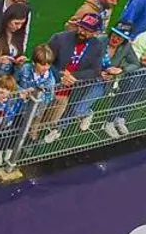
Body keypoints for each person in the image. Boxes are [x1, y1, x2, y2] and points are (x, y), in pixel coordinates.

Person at [39, 9, 118, 140]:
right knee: (38, 112)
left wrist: (74, 76)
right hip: (52, 82)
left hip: (74, 87)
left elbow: (95, 70)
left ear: (95, 33)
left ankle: (54, 130)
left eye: (87, 30)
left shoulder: (97, 45)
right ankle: (32, 135)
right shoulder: (59, 38)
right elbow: (44, 61)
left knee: (56, 116)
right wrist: (61, 76)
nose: (82, 31)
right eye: (81, 27)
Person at [0, 2, 33, 73]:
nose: (19, 27)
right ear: (8, 19)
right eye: (16, 23)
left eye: (22, 24)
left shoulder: (19, 35)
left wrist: (19, 60)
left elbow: (18, 54)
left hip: (10, 78)